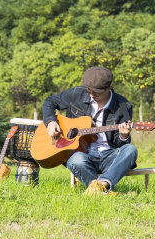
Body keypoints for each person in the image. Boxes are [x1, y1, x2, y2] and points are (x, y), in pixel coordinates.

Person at [42, 66, 138, 195]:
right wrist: (50, 121)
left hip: (109, 155)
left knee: (130, 150)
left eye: (97, 93)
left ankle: (100, 186)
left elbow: (120, 144)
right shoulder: (77, 93)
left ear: (109, 88)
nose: (92, 95)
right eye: (89, 91)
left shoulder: (123, 106)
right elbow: (50, 101)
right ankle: (103, 191)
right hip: (82, 154)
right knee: (76, 159)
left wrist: (123, 136)